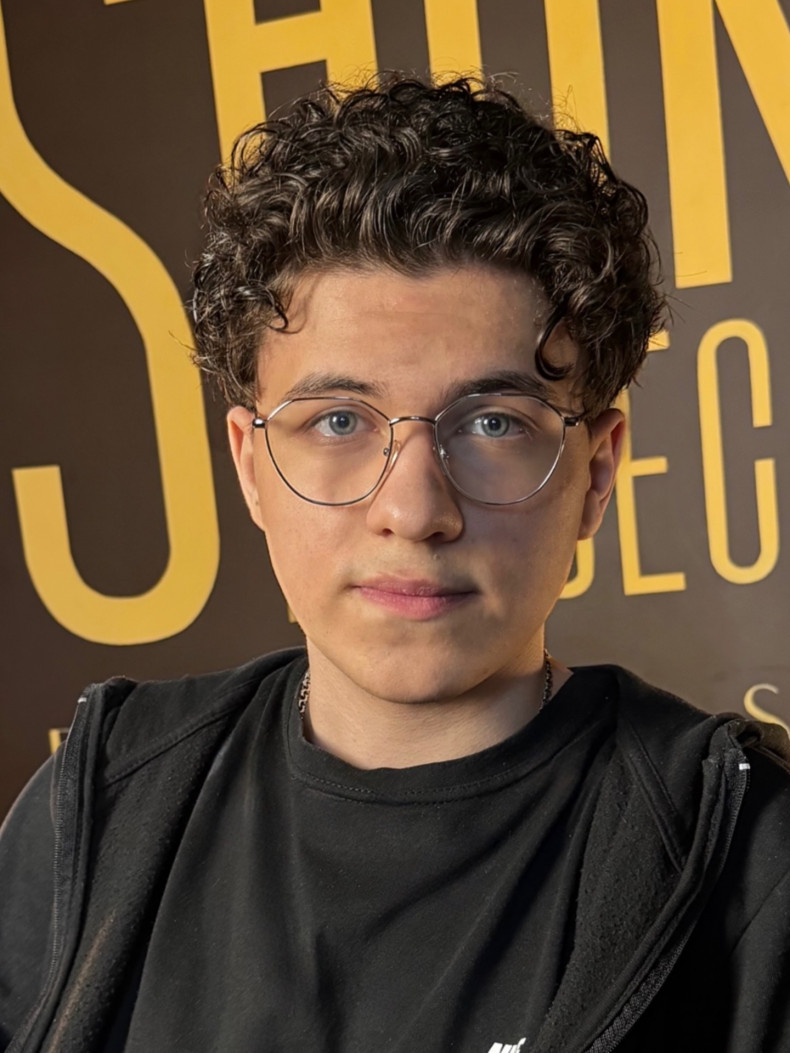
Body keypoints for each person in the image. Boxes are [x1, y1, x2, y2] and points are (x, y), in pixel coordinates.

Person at [1, 74, 789, 1053]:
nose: (414, 511)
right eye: (338, 420)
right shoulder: (104, 799)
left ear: (595, 473)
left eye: (492, 423)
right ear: (250, 467)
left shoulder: (743, 857)